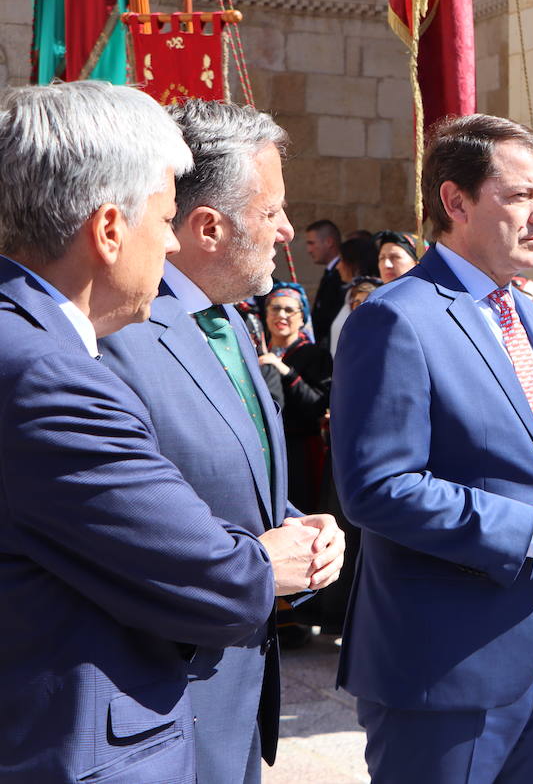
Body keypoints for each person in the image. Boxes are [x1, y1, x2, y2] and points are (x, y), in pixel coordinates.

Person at [331, 113, 533, 783]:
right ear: (456, 201)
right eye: (522, 195)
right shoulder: (393, 318)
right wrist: (530, 530)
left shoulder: (526, 312)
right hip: (445, 669)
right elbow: (378, 488)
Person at [0, 81, 278, 781]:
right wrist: (267, 560)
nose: (168, 241)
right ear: (108, 228)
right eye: (162, 218)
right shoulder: (46, 376)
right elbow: (222, 582)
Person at [97, 99, 345, 784]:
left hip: (237, 695)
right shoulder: (118, 332)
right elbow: (127, 522)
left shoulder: (230, 321)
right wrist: (262, 564)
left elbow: (231, 477)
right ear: (208, 226)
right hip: (162, 703)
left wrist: (300, 530)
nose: (288, 230)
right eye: (272, 214)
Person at [259, 282, 332, 515]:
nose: (281, 315)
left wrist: (284, 371)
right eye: (275, 308)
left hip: (301, 450)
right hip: (265, 448)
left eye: (289, 310)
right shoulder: (257, 354)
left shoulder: (314, 355)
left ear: (302, 318)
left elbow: (318, 406)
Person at [329, 234, 381, 355]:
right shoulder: (351, 293)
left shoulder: (366, 296)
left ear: (355, 264)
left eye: (341, 260)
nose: (337, 266)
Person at [305, 219, 344, 341]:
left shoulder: (341, 275)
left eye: (312, 243)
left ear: (328, 242)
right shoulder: (330, 272)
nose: (309, 250)